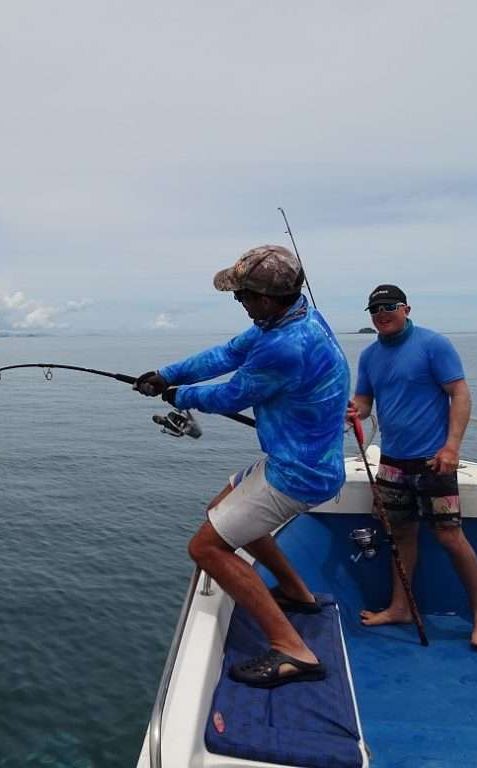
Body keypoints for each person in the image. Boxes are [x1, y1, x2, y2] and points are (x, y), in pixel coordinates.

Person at [136, 245, 350, 688]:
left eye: (244, 295)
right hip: (303, 457)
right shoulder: (290, 319)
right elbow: (226, 354)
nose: (240, 302)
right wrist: (166, 374)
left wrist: (179, 396)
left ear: (270, 298)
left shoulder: (285, 347)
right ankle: (297, 593)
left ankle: (294, 651)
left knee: (206, 548)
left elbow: (232, 395)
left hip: (299, 471)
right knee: (223, 505)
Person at [347, 285, 477, 649]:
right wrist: (353, 410)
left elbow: (460, 393)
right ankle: (399, 608)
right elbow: (365, 403)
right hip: (392, 464)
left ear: (406, 308)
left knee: (449, 536)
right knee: (400, 536)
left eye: (388, 306)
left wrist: (452, 446)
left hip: (434, 461)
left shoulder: (434, 345)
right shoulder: (369, 356)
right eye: (374, 309)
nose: (381, 313)